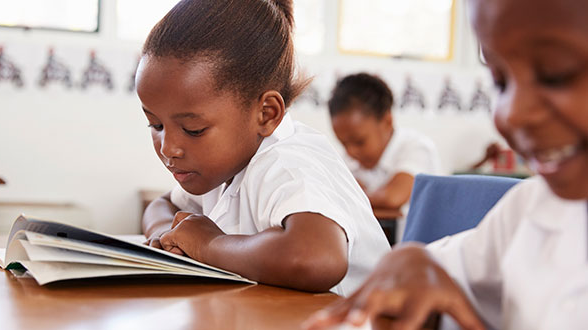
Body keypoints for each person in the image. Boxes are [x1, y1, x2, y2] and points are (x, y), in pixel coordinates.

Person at [304, 0, 588, 328]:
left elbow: (393, 197)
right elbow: (433, 270)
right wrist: (414, 263)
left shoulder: (414, 147)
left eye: (555, 74)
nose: (511, 113)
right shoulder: (531, 211)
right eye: (500, 81)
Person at [137, 0, 390, 295]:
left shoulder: (289, 162)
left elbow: (316, 258)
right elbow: (161, 205)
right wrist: (167, 234)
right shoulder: (217, 169)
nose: (169, 148)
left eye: (194, 130)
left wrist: (210, 245)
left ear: (266, 113)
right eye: (156, 125)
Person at [328, 73, 441, 242]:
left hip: (418, 254)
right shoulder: (348, 160)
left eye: (359, 142)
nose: (350, 151)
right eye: (343, 144)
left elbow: (393, 197)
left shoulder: (416, 148)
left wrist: (354, 193)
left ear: (387, 121)